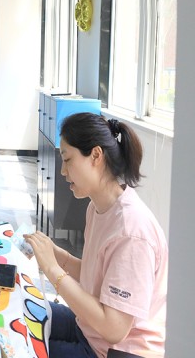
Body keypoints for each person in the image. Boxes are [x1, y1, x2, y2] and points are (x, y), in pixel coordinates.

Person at [24, 113, 168, 358]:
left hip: (114, 350)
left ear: (96, 156)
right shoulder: (98, 207)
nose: (63, 171)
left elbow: (114, 329)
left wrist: (52, 269)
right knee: (21, 314)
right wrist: (57, 256)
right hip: (89, 331)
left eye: (67, 159)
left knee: (19, 349)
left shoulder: (131, 232)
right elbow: (98, 278)